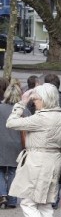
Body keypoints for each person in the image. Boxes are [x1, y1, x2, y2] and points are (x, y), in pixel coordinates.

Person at [6, 83, 61, 217]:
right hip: (54, 161)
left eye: (36, 99)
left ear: (44, 99)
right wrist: (55, 155)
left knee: (28, 203)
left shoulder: (40, 118)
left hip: (37, 161)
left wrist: (21, 103)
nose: (34, 102)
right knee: (46, 204)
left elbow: (11, 123)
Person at [0, 78, 24, 209]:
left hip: (1, 143)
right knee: (13, 171)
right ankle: (12, 199)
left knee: (0, 170)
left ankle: (2, 195)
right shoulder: (23, 110)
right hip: (17, 144)